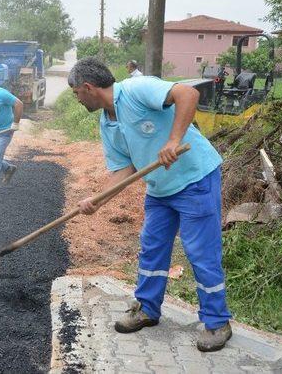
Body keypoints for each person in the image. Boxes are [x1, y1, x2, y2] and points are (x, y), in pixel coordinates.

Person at [68, 57, 232, 352]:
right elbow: (124, 170)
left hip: (195, 179)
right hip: (160, 190)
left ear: (88, 87)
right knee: (152, 247)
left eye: (76, 93)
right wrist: (97, 199)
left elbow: (188, 94)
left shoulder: (135, 89)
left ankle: (218, 322)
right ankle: (147, 309)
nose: (77, 99)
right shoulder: (108, 123)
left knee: (200, 252)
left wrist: (173, 140)